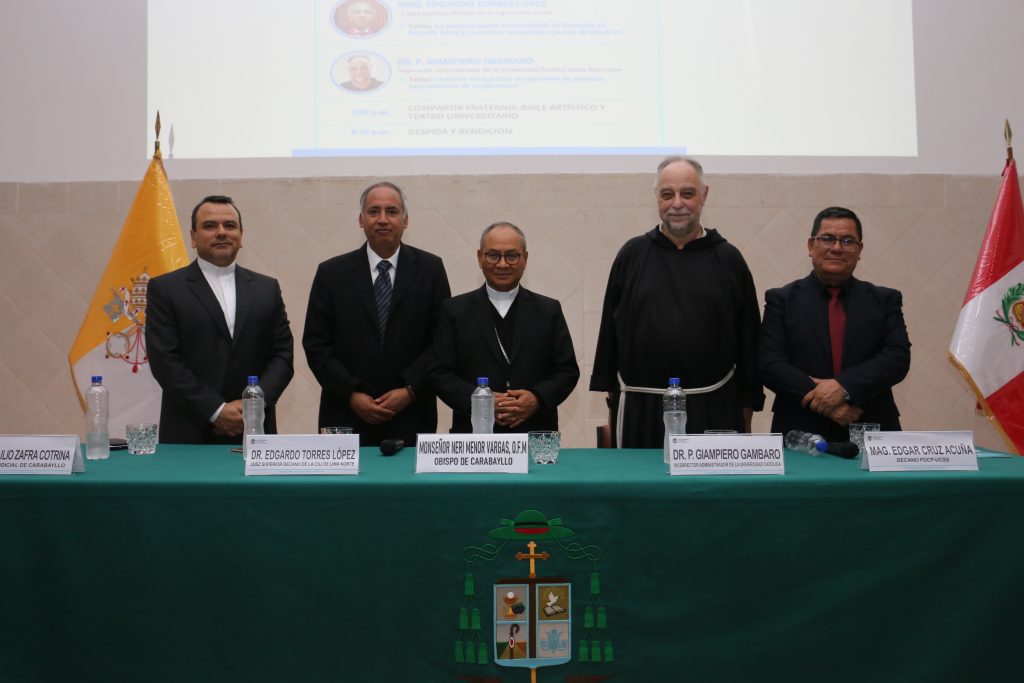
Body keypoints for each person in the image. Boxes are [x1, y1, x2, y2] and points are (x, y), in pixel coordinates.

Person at [590, 156, 764, 447]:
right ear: (657, 198)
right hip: (639, 409)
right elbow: (610, 330)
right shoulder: (632, 254)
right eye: (667, 194)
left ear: (704, 195)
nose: (677, 204)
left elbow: (749, 339)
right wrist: (610, 393)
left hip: (714, 408)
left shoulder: (729, 259)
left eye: (688, 193)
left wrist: (749, 403)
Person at [303, 181, 451, 446]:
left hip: (412, 414)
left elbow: (441, 341)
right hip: (345, 414)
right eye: (374, 211)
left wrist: (410, 390)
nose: (383, 219)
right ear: (361, 220)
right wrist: (351, 394)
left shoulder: (431, 269)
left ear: (405, 220)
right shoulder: (331, 274)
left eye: (391, 211)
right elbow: (316, 344)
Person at [146, 195, 294, 444]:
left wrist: (253, 405)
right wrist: (215, 410)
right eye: (210, 226)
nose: (222, 232)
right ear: (193, 238)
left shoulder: (267, 288)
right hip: (189, 434)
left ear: (241, 236)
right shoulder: (166, 289)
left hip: (254, 430)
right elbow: (165, 361)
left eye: (230, 225)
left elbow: (283, 355)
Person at [758, 206, 911, 441]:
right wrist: (826, 402)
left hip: (870, 424)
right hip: (800, 430)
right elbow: (769, 362)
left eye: (847, 241)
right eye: (827, 238)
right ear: (811, 246)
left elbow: (897, 358)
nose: (837, 248)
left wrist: (844, 388)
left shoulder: (884, 300)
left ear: (859, 250)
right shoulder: (782, 300)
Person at [431, 222, 579, 433]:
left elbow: (567, 371)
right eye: (493, 255)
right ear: (480, 257)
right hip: (474, 436)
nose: (502, 264)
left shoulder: (549, 310)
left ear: (525, 259)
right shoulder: (454, 310)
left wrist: (536, 398)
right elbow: (439, 373)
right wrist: (479, 401)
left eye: (512, 256)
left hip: (536, 434)